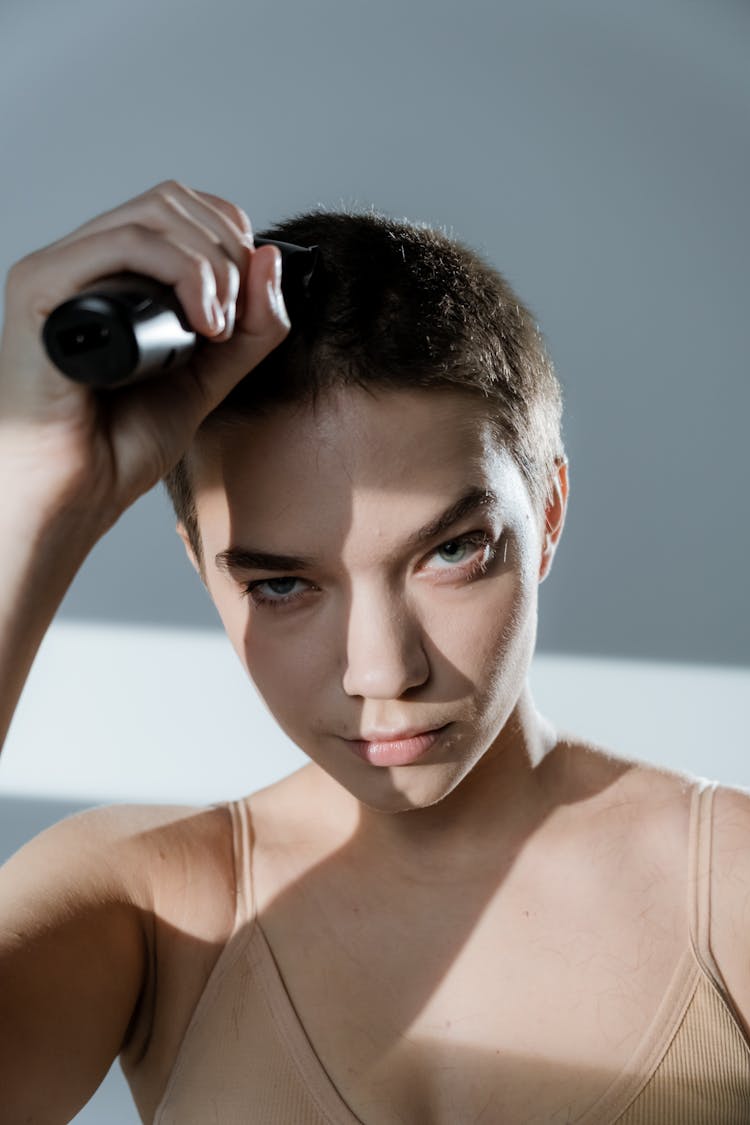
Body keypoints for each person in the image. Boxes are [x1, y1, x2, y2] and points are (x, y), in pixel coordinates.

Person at [0, 181, 749, 1125]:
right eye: (281, 585)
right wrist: (29, 496)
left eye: (449, 552)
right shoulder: (150, 902)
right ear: (202, 565)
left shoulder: (733, 892)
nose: (382, 673)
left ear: (549, 512)